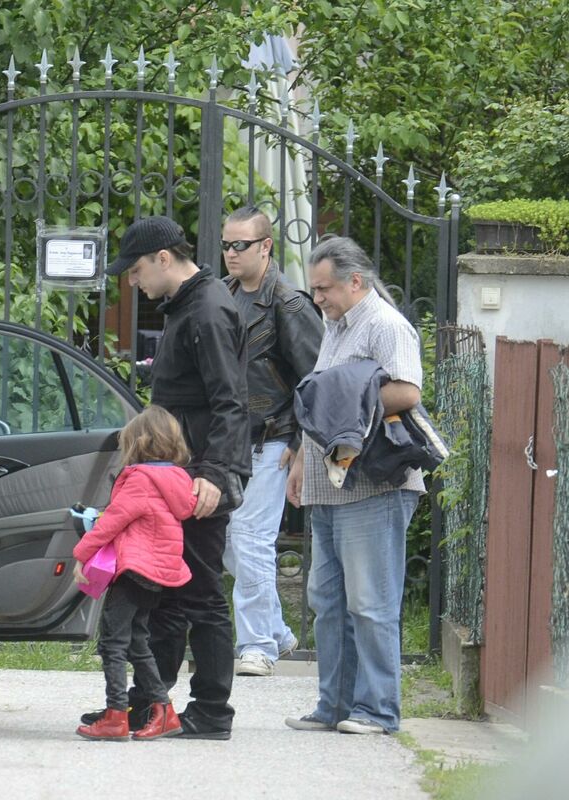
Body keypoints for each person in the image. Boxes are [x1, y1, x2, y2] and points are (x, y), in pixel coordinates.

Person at [85, 215, 250, 740]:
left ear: (163, 258)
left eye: (136, 270)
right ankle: (148, 704)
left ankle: (212, 711)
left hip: (198, 482)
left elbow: (231, 401)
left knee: (200, 595)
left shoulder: (208, 310)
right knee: (168, 597)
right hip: (180, 478)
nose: (132, 282)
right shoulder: (187, 306)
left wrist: (215, 474)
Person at [284, 236, 424, 735]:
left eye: (325, 288)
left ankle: (378, 710)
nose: (317, 297)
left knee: (370, 603)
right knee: (327, 600)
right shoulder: (335, 325)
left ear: (356, 281)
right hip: (330, 486)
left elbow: (407, 390)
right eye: (315, 288)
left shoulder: (385, 324)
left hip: (374, 487)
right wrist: (301, 460)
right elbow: (324, 403)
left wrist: (348, 397)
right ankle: (335, 705)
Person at [219, 207, 323, 677]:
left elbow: (317, 379)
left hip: (274, 440)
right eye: (226, 244)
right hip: (229, 442)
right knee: (227, 542)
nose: (231, 253)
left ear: (265, 247)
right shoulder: (222, 295)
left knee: (249, 539)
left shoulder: (289, 304)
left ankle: (257, 644)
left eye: (240, 245)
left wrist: (301, 443)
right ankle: (277, 632)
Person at [73, 406, 198, 741]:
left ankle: (116, 715)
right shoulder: (178, 479)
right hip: (157, 574)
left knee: (112, 644)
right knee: (138, 642)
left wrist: (81, 555)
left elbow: (112, 522)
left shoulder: (140, 479)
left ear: (139, 442)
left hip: (133, 571)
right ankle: (164, 712)